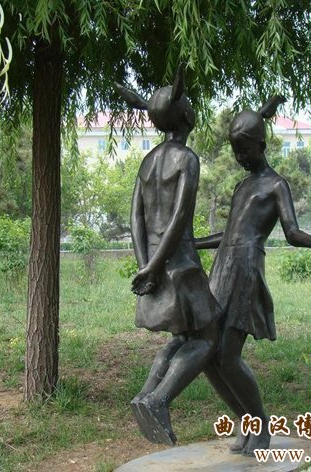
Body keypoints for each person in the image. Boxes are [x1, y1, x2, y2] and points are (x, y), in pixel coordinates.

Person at [196, 97, 311, 456]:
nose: (239, 157)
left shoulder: (276, 185)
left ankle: (260, 424)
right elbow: (228, 233)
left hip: (246, 271)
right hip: (221, 270)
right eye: (235, 151)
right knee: (207, 354)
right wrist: (192, 242)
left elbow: (291, 231)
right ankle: (245, 420)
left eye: (244, 149)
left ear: (261, 144)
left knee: (228, 354)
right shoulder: (241, 187)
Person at [116, 65, 220, 446]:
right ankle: (159, 399)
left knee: (180, 338)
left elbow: (136, 219)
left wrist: (145, 265)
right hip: (180, 266)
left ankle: (145, 395)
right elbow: (178, 218)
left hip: (156, 268)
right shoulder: (186, 159)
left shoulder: (147, 162)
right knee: (208, 337)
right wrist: (156, 265)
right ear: (184, 115)